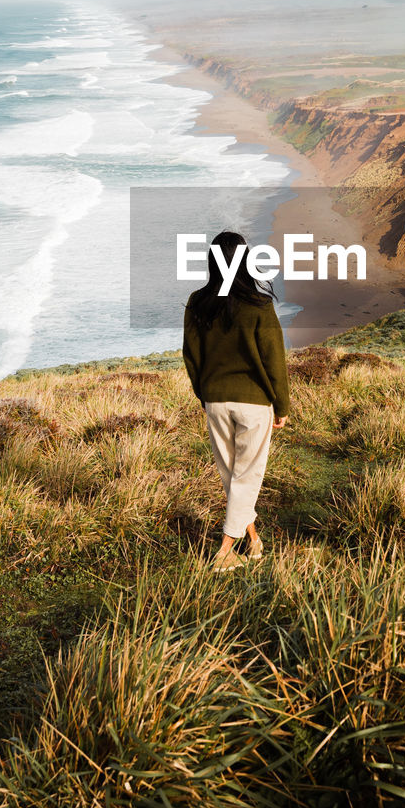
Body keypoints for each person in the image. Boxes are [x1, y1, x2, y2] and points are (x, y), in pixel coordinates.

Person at [182, 230, 290, 571]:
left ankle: (253, 541)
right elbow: (275, 360)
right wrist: (283, 406)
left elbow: (191, 357)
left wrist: (205, 394)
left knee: (233, 477)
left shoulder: (198, 303)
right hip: (254, 403)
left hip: (215, 401)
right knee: (247, 476)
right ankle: (226, 551)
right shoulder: (259, 305)